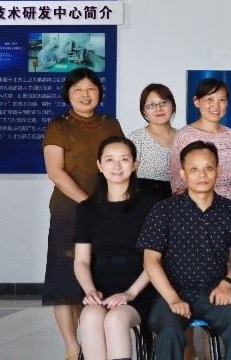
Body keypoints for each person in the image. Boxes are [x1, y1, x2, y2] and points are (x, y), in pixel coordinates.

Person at [138, 141, 231, 360]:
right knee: (170, 333)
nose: (202, 175)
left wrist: (227, 284)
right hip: (172, 292)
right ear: (182, 173)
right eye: (194, 169)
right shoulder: (164, 210)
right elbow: (150, 260)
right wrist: (172, 298)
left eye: (208, 168)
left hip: (215, 291)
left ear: (218, 171)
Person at [42, 67, 124, 359]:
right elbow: (56, 172)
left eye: (90, 88)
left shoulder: (111, 124)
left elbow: (121, 162)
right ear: (68, 94)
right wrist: (88, 203)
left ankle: (95, 340)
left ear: (99, 92)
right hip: (69, 212)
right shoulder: (58, 126)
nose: (85, 95)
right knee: (64, 280)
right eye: (77, 90)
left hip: (107, 210)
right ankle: (72, 346)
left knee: (99, 274)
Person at [74, 136, 159, 360]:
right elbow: (81, 260)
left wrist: (130, 293)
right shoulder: (86, 209)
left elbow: (156, 260)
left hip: (141, 289)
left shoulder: (152, 205)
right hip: (100, 288)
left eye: (124, 159)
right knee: (90, 317)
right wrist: (90, 290)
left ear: (135, 164)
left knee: (115, 320)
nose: (117, 166)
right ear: (100, 165)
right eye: (109, 160)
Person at [169, 78, 231, 296]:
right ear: (197, 102)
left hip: (230, 209)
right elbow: (177, 184)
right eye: (210, 99)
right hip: (196, 212)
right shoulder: (185, 135)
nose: (216, 105)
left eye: (222, 100)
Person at [127, 83, 177, 199]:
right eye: (151, 105)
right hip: (145, 202)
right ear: (144, 111)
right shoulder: (135, 139)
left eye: (164, 103)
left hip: (180, 202)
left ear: (173, 106)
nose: (158, 108)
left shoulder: (185, 137)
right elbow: (126, 180)